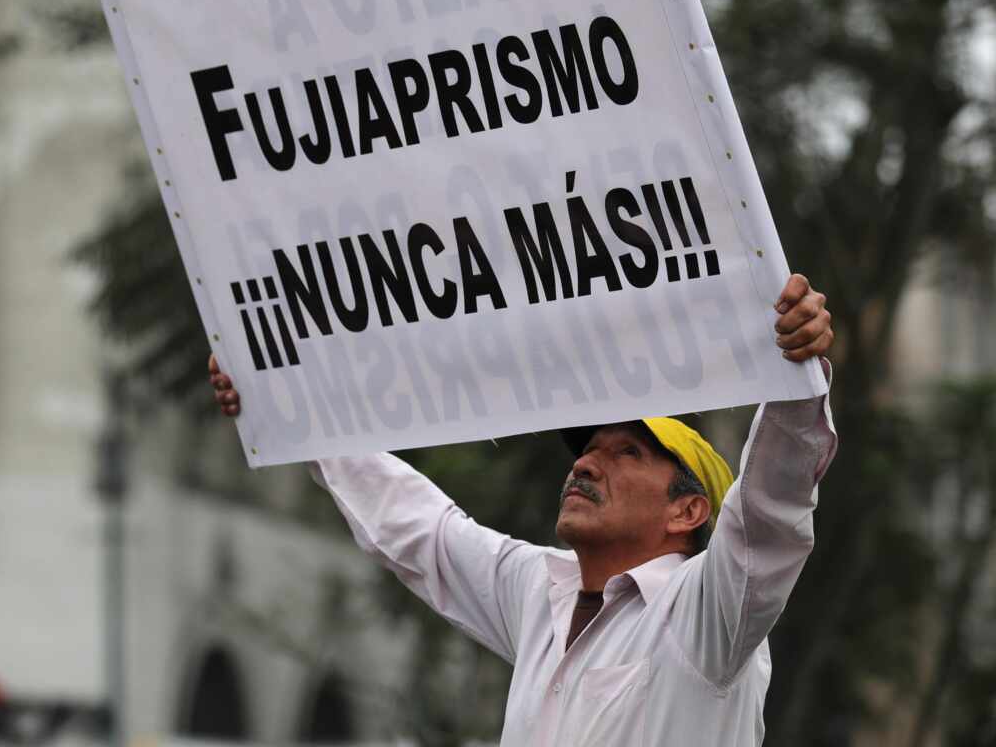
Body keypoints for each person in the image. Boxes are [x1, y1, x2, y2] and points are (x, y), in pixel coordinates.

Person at [209, 273, 836, 746]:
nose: (586, 464)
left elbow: (768, 514)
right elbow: (419, 528)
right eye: (588, 449)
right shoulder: (541, 589)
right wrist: (289, 407)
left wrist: (796, 380)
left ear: (689, 512)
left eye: (625, 454)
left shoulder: (707, 615)